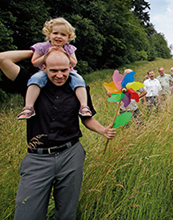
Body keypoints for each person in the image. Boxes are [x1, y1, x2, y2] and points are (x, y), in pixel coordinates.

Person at [0, 49, 116, 220]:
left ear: (70, 67)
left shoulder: (78, 88)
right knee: (26, 214)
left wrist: (102, 130)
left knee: (66, 214)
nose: (60, 75)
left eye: (64, 70)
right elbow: (2, 59)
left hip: (71, 154)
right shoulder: (31, 83)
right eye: (53, 70)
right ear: (44, 67)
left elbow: (86, 118)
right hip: (37, 159)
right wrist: (38, 50)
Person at [17, 18, 92, 120]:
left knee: (79, 81)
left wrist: (65, 53)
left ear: (68, 37)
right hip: (46, 72)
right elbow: (34, 63)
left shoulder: (69, 48)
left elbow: (74, 63)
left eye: (63, 34)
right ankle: (28, 107)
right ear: (49, 34)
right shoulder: (42, 47)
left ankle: (84, 106)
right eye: (55, 33)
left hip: (68, 72)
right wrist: (46, 54)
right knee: (35, 79)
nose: (58, 36)